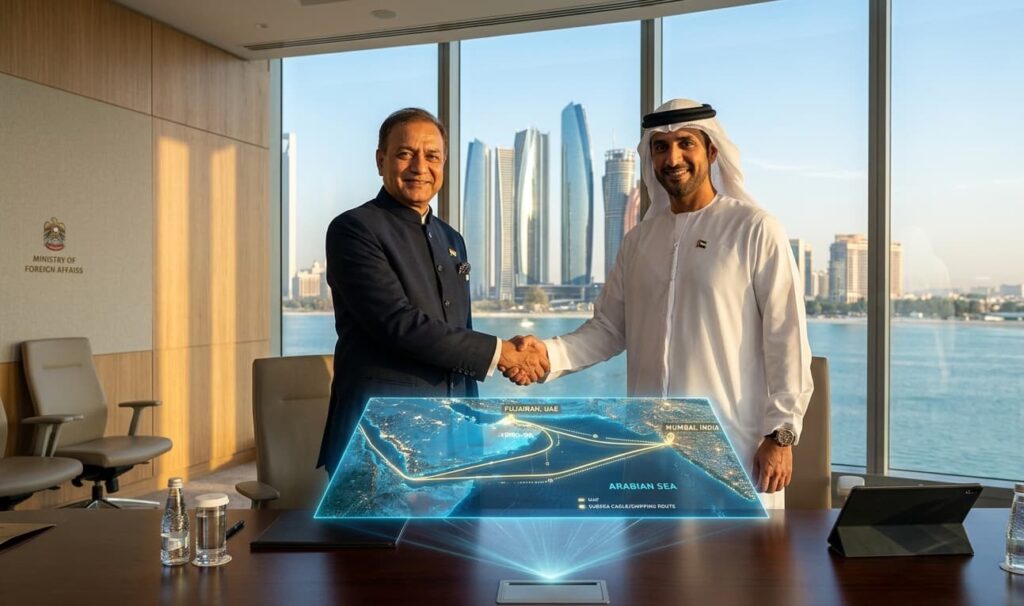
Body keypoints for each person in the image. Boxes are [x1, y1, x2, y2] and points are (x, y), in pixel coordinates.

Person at [506, 99, 813, 508]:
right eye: (660, 147)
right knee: (653, 566)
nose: (673, 157)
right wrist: (547, 354)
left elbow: (787, 339)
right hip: (648, 449)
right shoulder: (638, 242)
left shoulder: (754, 229)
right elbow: (609, 329)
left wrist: (781, 435)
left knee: (742, 570)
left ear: (712, 152)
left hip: (735, 448)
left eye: (686, 143)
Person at [317, 108, 548, 474]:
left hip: (455, 435)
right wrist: (501, 353)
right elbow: (398, 324)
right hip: (379, 438)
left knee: (457, 531)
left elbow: (460, 329)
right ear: (381, 160)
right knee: (372, 534)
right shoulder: (353, 229)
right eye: (405, 153)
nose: (419, 167)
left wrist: (477, 422)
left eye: (432, 156)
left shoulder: (451, 239)